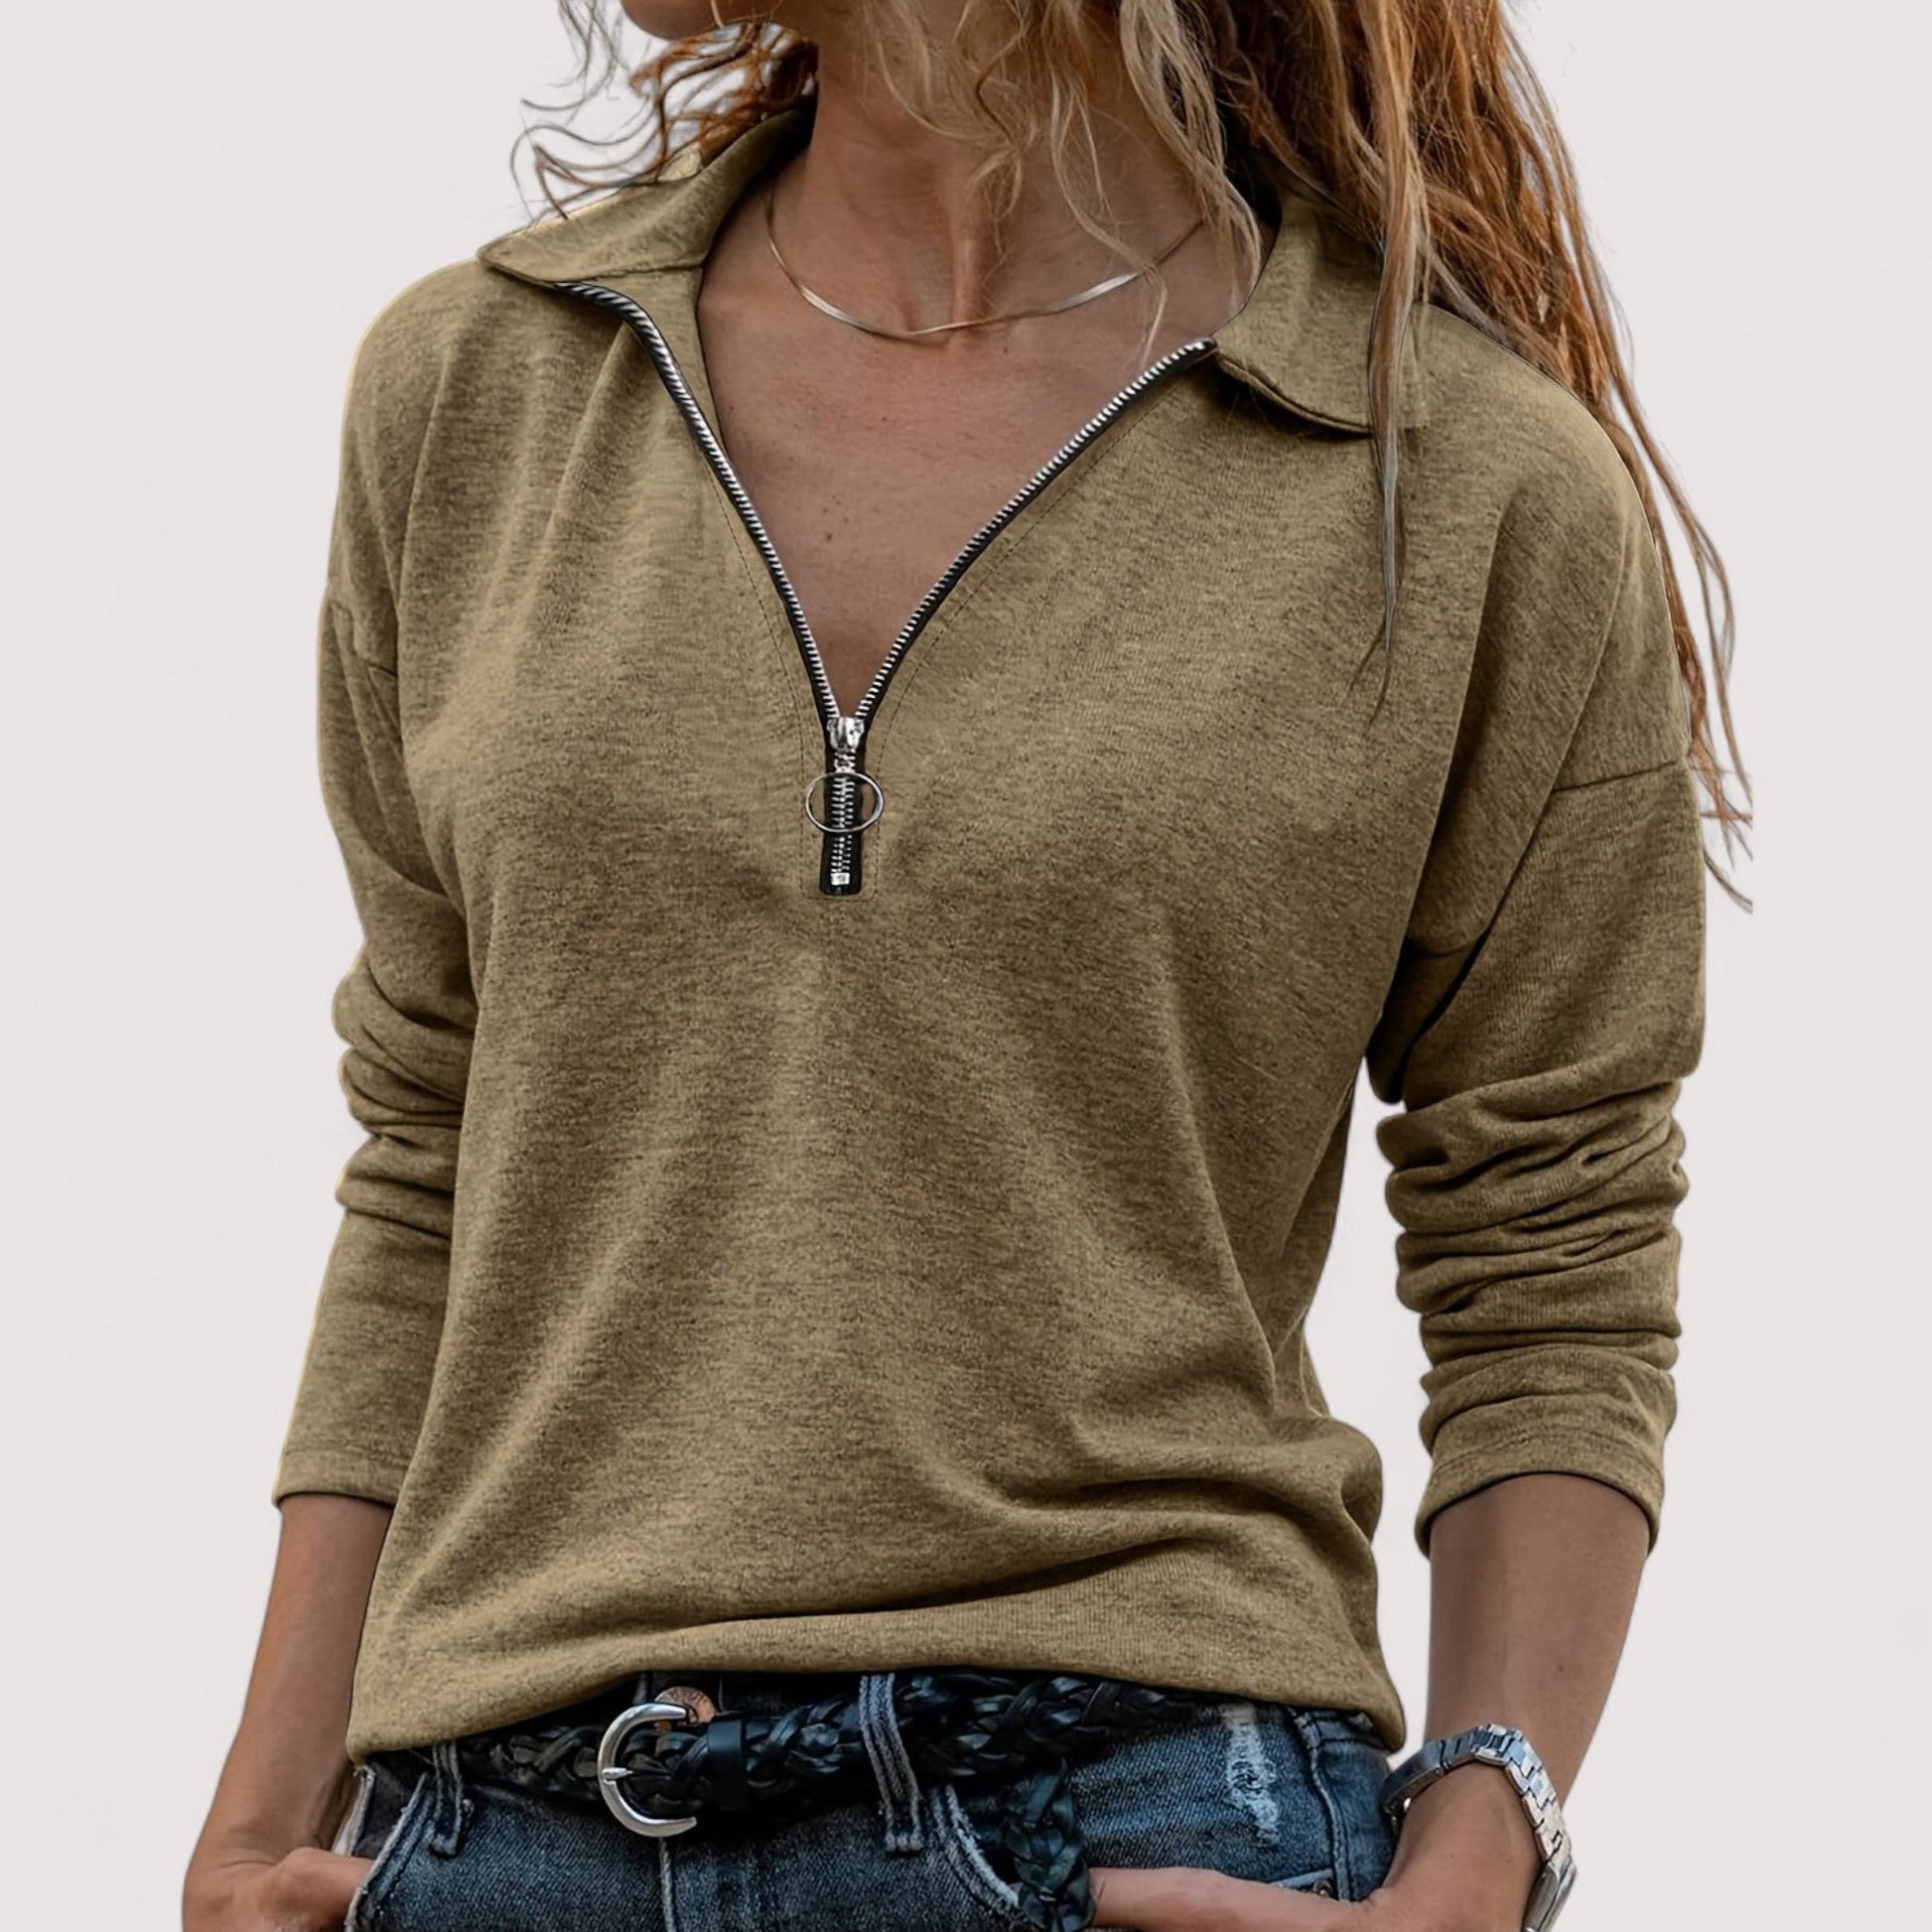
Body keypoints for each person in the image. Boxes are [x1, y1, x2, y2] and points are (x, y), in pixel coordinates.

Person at [183, 3, 1748, 1930]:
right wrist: (250, 1830)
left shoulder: (1455, 479)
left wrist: (1481, 1850)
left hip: (1144, 1816)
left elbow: (1551, 1246)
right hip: (504, 1836)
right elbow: (435, 1139)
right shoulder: (481, 390)